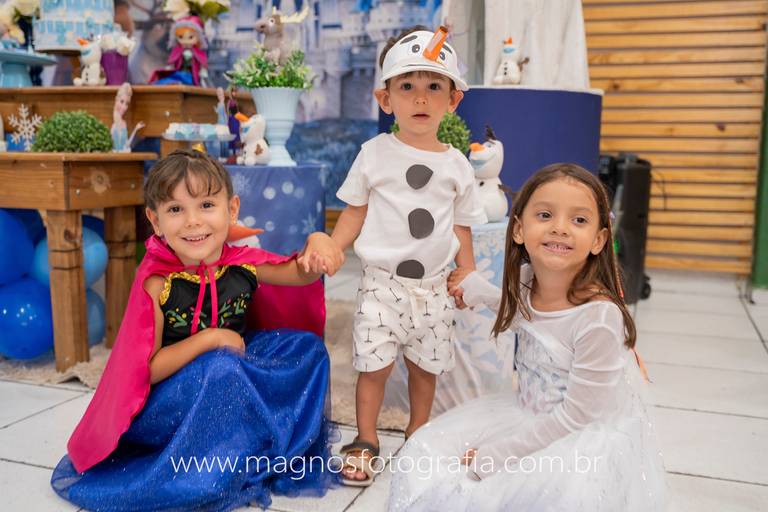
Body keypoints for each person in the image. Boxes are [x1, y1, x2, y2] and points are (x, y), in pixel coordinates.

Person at [51, 149, 344, 511]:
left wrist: (318, 242)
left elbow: (299, 274)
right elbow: (148, 369)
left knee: (307, 349)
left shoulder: (242, 262)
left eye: (206, 205)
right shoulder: (158, 282)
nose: (193, 222)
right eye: (175, 209)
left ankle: (279, 451)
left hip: (231, 371)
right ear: (155, 220)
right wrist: (210, 339)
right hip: (170, 404)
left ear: (231, 210)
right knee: (222, 366)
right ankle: (204, 475)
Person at [389, 163, 667, 511]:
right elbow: (522, 311)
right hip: (525, 411)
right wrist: (478, 290)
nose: (560, 228)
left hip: (573, 434)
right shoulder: (526, 278)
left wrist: (497, 455)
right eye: (545, 215)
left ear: (598, 240)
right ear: (519, 230)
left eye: (579, 220)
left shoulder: (598, 318)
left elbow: (577, 416)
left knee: (508, 494)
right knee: (425, 453)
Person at [330, 26, 487, 486]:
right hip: (382, 285)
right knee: (373, 365)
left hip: (433, 288)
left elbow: (461, 225)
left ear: (453, 100)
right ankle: (365, 438)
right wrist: (334, 247)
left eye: (434, 86)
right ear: (386, 99)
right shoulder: (374, 154)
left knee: (426, 366)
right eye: (407, 86)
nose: (420, 97)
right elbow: (355, 211)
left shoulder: (457, 164)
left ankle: (418, 432)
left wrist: (466, 271)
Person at [149, 15, 209, 86]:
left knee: (183, 79)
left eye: (190, 37)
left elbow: (202, 62)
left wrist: (203, 71)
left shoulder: (198, 53)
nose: (185, 41)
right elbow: (172, 61)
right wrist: (170, 67)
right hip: (179, 73)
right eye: (181, 37)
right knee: (168, 79)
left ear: (199, 37)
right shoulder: (177, 51)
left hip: (192, 75)